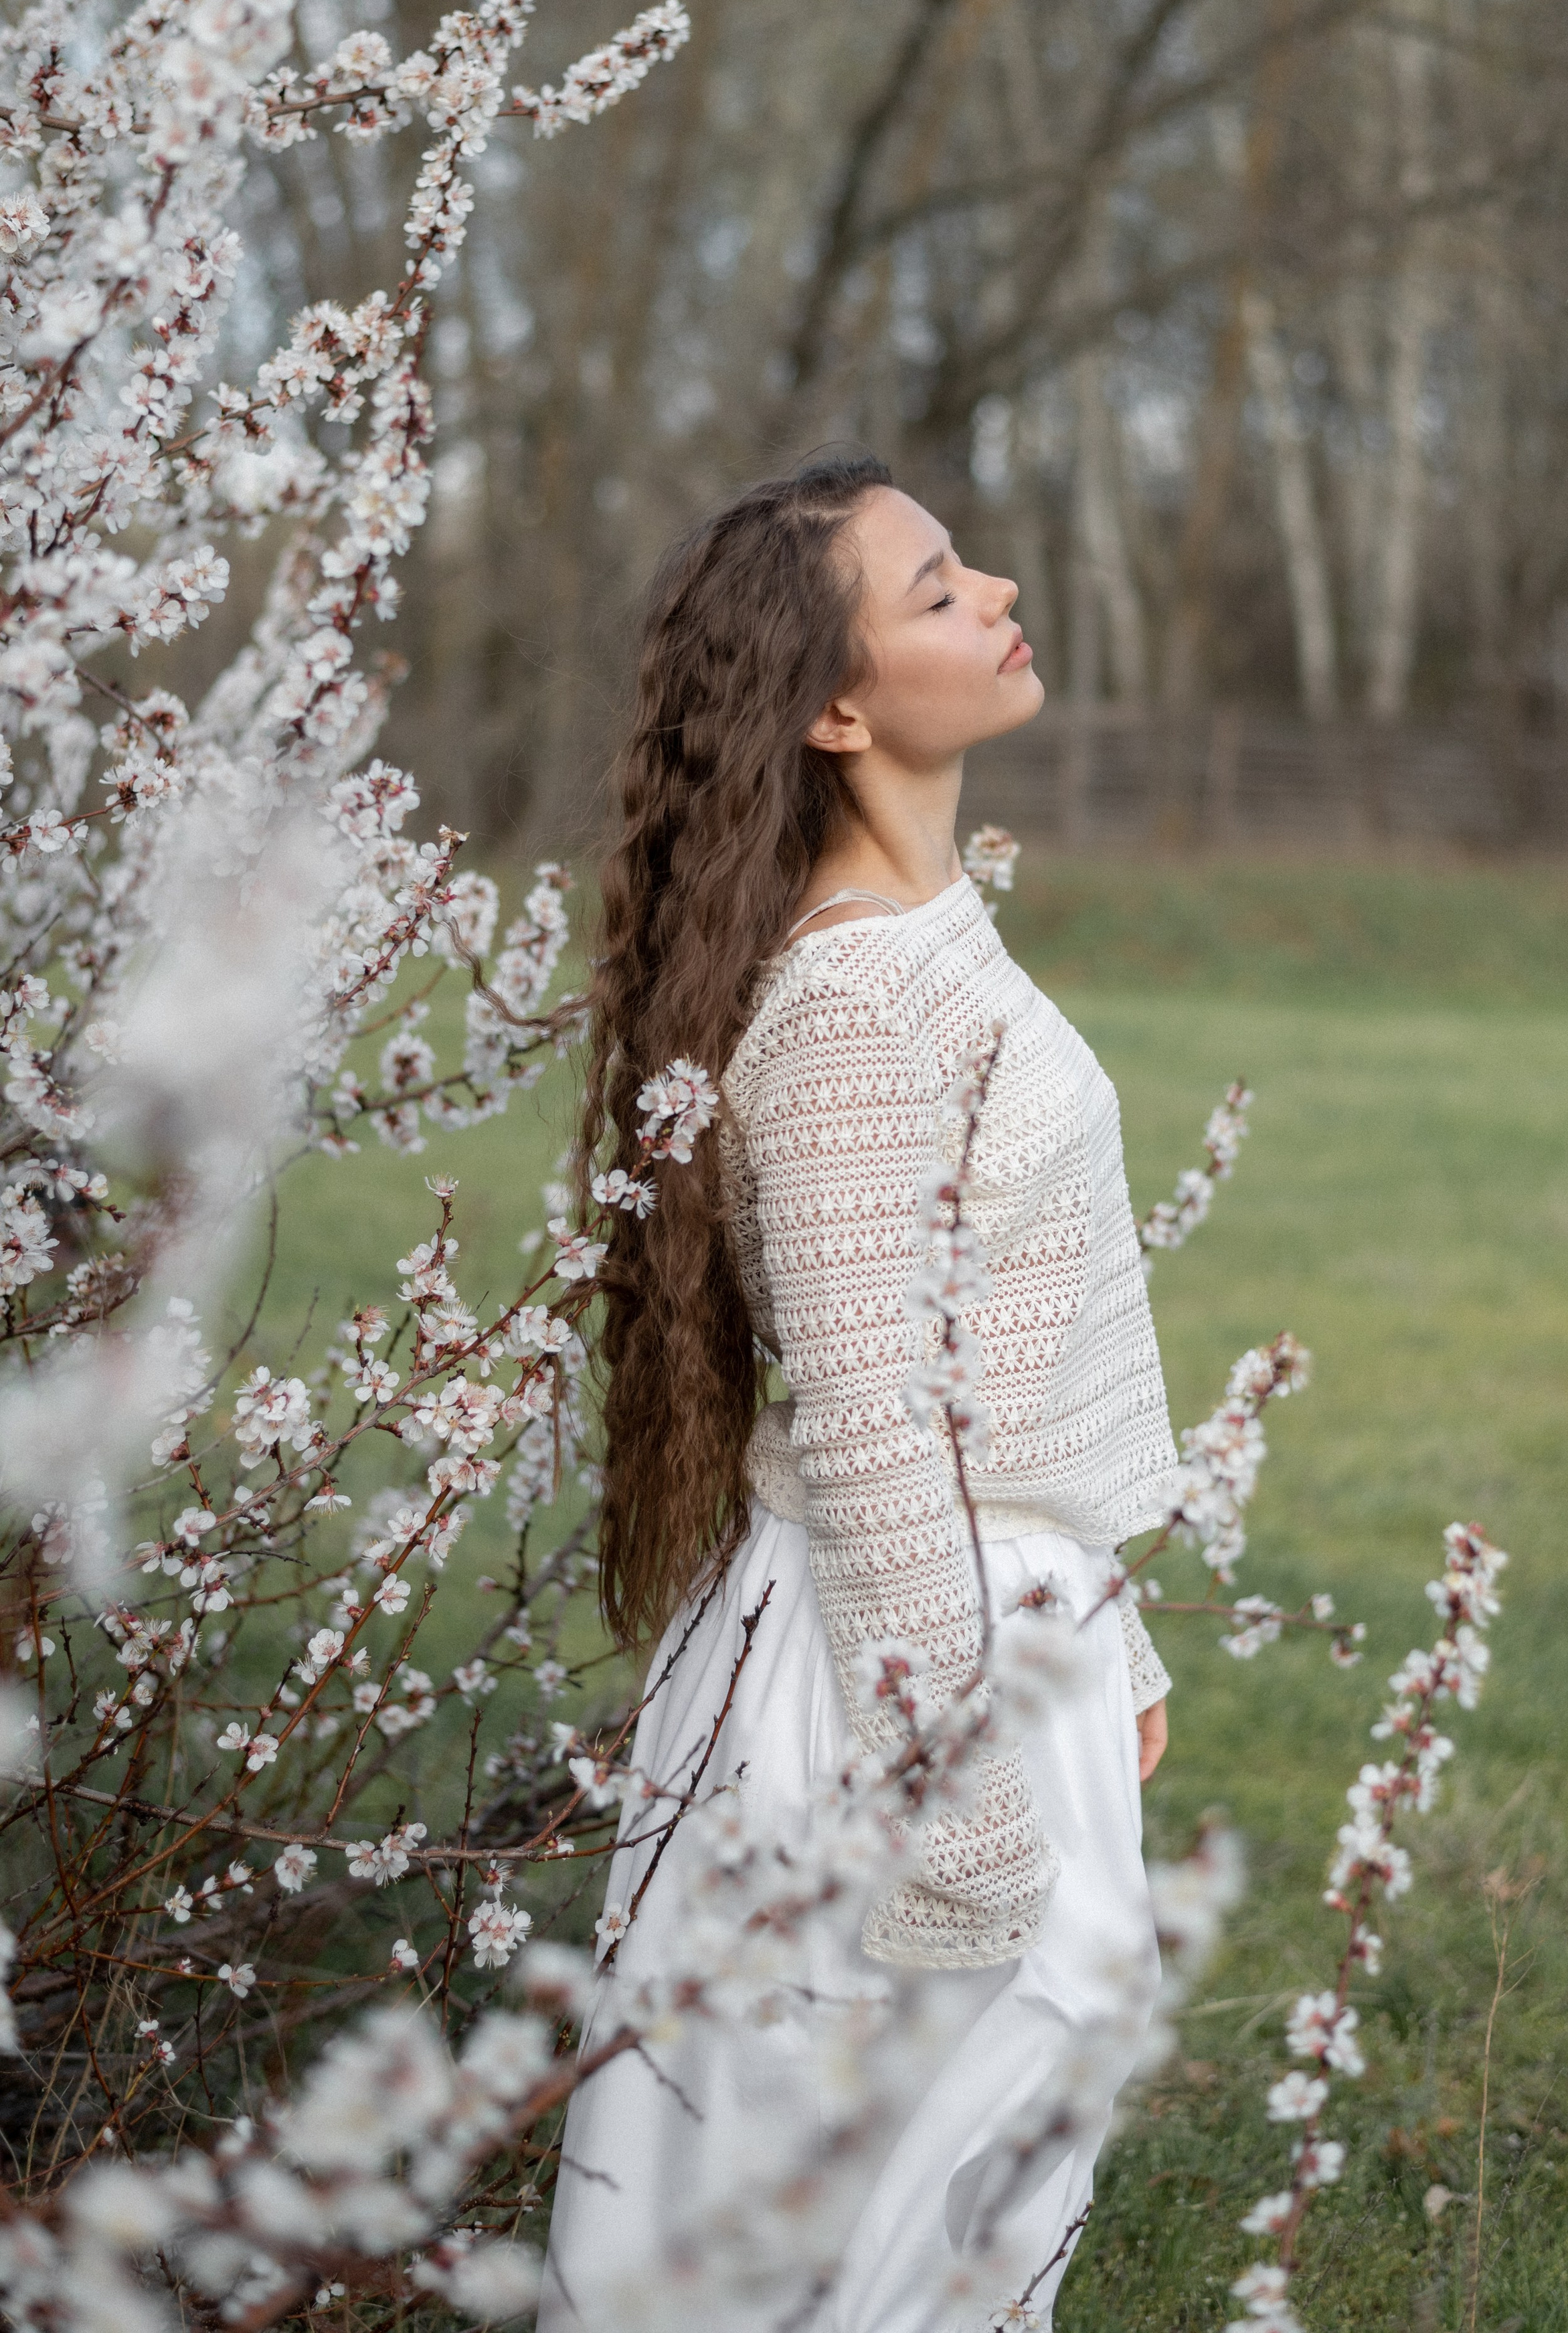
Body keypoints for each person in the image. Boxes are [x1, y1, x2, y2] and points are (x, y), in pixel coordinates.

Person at [540, 454, 1179, 2332]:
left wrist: (1107, 1658)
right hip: (903, 1664)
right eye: (933, 589)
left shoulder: (928, 938)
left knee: (977, 2173)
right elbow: (880, 1427)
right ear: (835, 707)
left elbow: (996, 1356)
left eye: (966, 564)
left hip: (1000, 1631)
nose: (993, 589)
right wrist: (958, 1785)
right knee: (857, 2190)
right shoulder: (846, 1015)